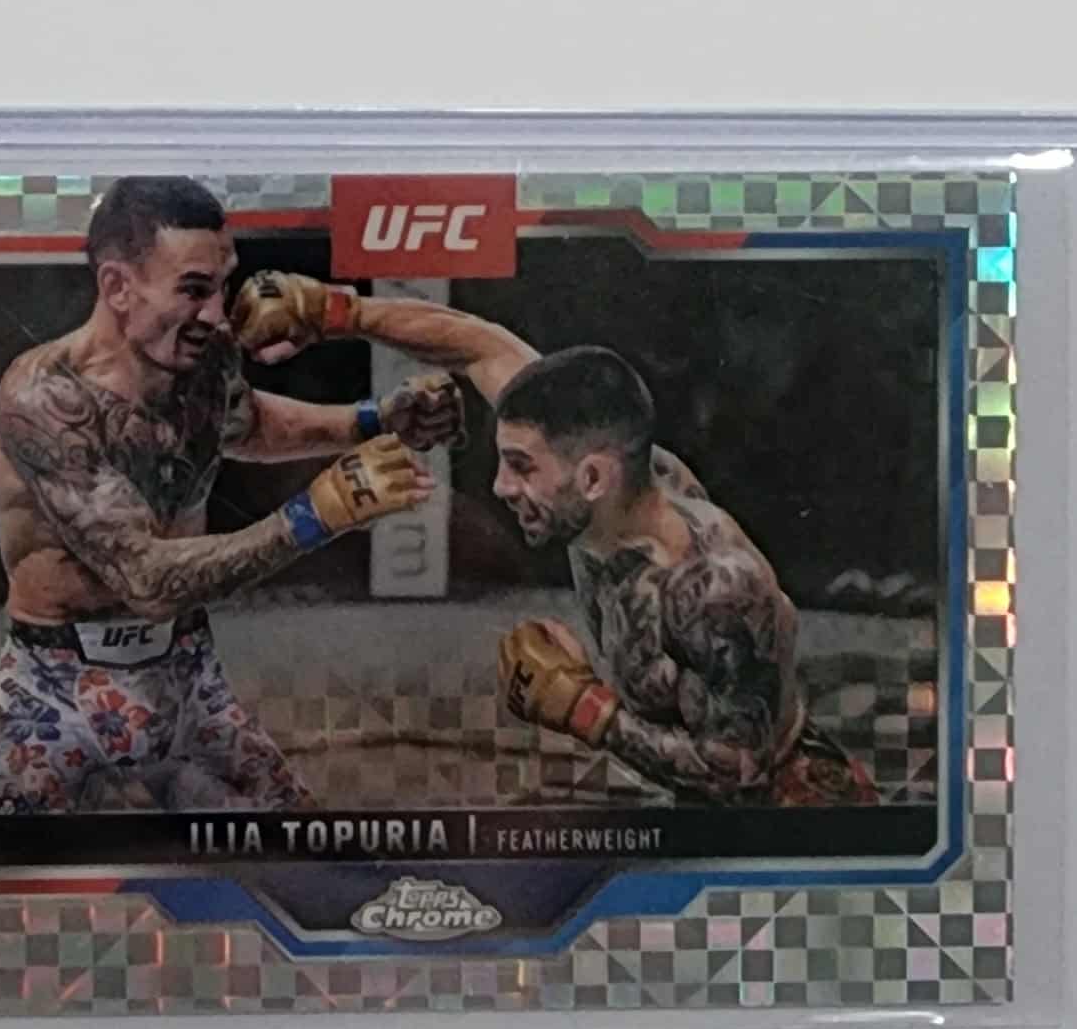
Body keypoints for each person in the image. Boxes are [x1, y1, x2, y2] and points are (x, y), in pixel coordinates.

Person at [233, 273, 876, 806]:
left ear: (592, 478)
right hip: (688, 797)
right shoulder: (600, 470)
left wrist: (585, 710)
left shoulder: (711, 588)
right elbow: (477, 345)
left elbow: (740, 768)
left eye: (521, 467)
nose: (501, 487)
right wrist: (332, 310)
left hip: (788, 813)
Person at [0, 178, 462, 814]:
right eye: (193, 290)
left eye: (222, 286)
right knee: (20, 867)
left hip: (186, 674)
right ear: (118, 286)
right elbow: (145, 578)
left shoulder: (204, 358)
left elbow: (243, 424)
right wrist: (311, 517)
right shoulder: (44, 401)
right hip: (59, 689)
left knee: (304, 839)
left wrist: (372, 420)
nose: (216, 314)